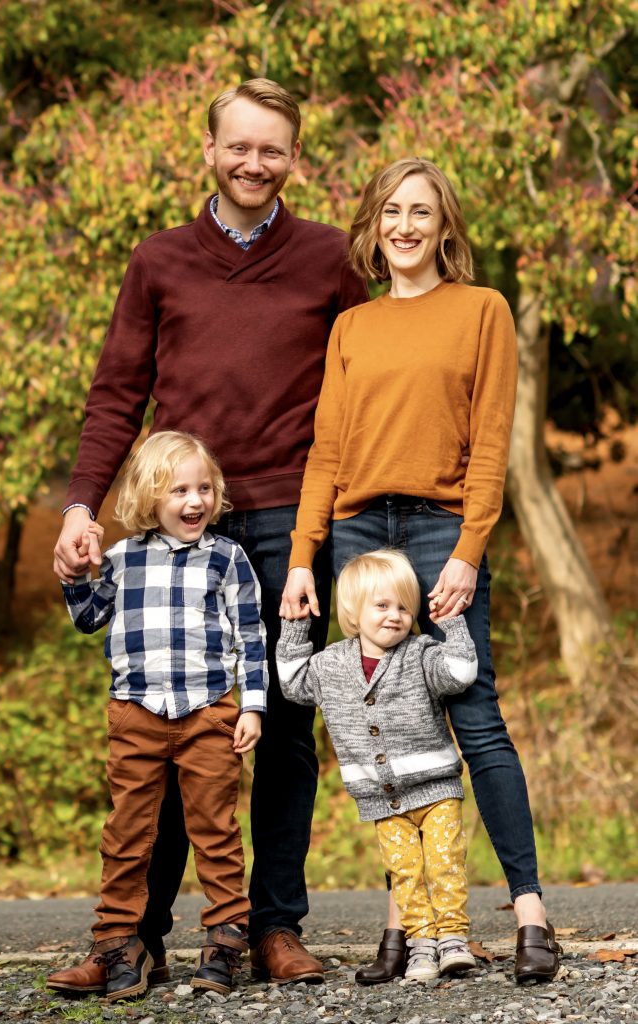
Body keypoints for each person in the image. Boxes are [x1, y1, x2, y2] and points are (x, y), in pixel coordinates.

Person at [50, 78, 369, 992]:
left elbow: (360, 383)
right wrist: (82, 506)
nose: (254, 163)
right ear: (210, 150)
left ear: (293, 159)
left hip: (290, 523)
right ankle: (135, 937)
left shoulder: (327, 260)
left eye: (272, 149)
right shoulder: (158, 263)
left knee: (283, 730)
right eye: (239, 146)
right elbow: (116, 394)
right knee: (170, 720)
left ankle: (270, 928)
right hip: (176, 525)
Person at [281, 157, 562, 985]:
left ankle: (530, 915)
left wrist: (470, 550)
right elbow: (326, 451)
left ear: (446, 228)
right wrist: (303, 557)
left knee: (474, 716)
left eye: (423, 213)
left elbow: (491, 442)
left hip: (440, 527)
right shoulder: (352, 328)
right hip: (359, 527)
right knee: (388, 727)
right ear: (374, 224)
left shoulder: (483, 311)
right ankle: (404, 926)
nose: (405, 226)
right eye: (392, 211)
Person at [50, 431, 267, 1000]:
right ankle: (118, 944)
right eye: (179, 491)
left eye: (203, 489)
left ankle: (224, 940)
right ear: (149, 496)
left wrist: (254, 706)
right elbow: (89, 618)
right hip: (136, 714)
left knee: (214, 830)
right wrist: (75, 575)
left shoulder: (228, 558)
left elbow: (251, 636)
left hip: (210, 714)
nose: (194, 502)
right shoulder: (121, 559)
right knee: (126, 834)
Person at [278, 550, 479, 982]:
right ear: (353, 610)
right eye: (382, 606)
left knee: (444, 862)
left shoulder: (422, 652)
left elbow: (460, 673)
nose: (395, 616)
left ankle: (453, 939)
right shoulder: (330, 663)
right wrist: (295, 627)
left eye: (405, 607)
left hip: (436, 787)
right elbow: (293, 683)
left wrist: (453, 623)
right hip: (380, 797)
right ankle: (422, 943)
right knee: (404, 871)